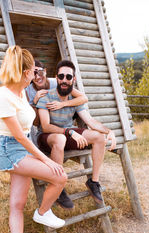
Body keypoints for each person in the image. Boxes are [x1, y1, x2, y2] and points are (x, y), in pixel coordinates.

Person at [0, 46, 68, 233]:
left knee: (17, 204)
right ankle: (42, 213)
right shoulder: (3, 96)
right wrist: (46, 159)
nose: (36, 77)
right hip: (9, 150)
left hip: (22, 147)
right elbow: (19, 138)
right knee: (59, 175)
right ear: (24, 73)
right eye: (33, 72)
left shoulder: (22, 93)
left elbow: (25, 124)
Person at [36, 60, 117, 206]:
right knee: (60, 139)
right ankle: (58, 186)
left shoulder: (75, 99)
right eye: (61, 77)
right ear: (56, 78)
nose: (64, 80)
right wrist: (69, 132)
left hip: (68, 134)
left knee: (98, 137)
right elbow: (46, 126)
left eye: (68, 77)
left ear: (73, 79)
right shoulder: (46, 97)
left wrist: (109, 131)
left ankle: (94, 182)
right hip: (47, 138)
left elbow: (90, 121)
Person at [26, 59, 88, 209]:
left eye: (40, 72)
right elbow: (33, 122)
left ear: (45, 72)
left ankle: (58, 185)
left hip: (60, 129)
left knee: (65, 138)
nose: (37, 76)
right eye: (33, 73)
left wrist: (62, 104)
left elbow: (83, 98)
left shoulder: (58, 81)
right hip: (38, 131)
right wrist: (34, 102)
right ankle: (58, 185)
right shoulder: (27, 90)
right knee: (56, 140)